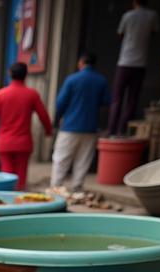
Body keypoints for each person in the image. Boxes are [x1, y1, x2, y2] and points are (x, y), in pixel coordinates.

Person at [0, 62, 52, 191]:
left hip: (5, 143)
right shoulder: (32, 94)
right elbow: (44, 116)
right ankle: (20, 203)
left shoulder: (0, 94)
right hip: (24, 143)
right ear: (26, 75)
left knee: (7, 177)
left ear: (10, 74)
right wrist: (48, 131)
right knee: (20, 179)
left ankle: (7, 204)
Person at [51, 53, 111, 193]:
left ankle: (56, 186)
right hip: (90, 126)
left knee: (61, 157)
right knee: (83, 159)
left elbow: (60, 103)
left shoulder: (72, 79)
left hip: (70, 126)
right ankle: (77, 187)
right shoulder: (101, 80)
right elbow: (106, 101)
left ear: (81, 62)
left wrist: (57, 119)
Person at [109, 0, 159, 135]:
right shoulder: (152, 15)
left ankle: (111, 130)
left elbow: (120, 34)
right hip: (140, 63)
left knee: (117, 98)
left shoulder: (128, 16)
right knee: (132, 100)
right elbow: (154, 32)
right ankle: (122, 130)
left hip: (124, 61)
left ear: (134, 2)